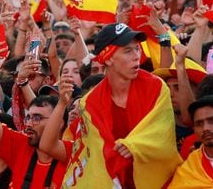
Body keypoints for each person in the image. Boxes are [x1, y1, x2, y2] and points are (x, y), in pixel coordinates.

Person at [61, 22, 180, 188]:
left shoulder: (157, 87)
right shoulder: (90, 102)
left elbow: (162, 134)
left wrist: (135, 145)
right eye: (127, 51)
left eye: (137, 49)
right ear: (108, 58)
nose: (136, 55)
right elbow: (95, 152)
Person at [168, 95, 213, 187]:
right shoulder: (189, 169)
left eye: (212, 120)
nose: (205, 128)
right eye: (199, 123)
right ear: (194, 129)